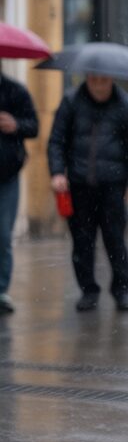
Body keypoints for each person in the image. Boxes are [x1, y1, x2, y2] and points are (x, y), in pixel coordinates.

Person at [47, 74, 128, 312]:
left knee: (116, 240)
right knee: (82, 242)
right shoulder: (71, 102)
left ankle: (122, 290)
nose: (98, 86)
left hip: (113, 185)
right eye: (94, 81)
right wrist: (57, 172)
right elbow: (56, 141)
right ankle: (88, 290)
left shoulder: (127, 106)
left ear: (111, 80)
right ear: (87, 79)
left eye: (103, 81)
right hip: (79, 184)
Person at [0, 72, 38, 314]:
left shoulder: (15, 91)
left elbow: (34, 126)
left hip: (6, 176)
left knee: (3, 235)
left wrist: (16, 125)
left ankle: (1, 290)